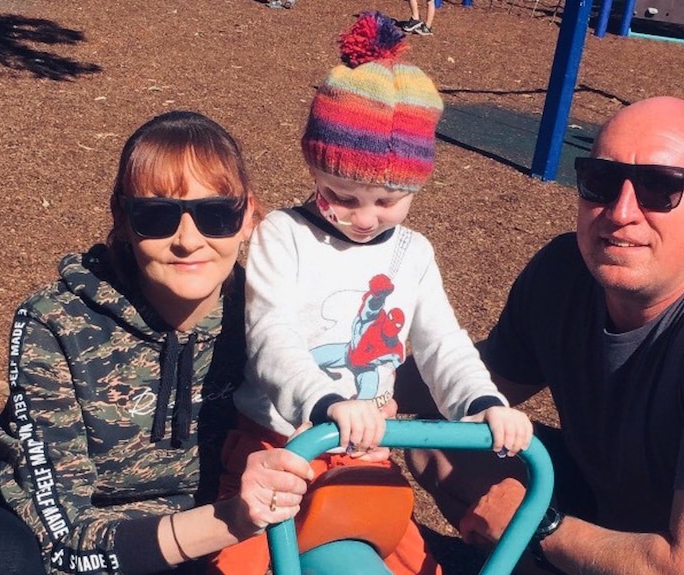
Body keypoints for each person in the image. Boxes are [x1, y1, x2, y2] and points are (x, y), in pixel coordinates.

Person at [402, 96, 684, 574]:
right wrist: (322, 386)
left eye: (660, 187)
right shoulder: (565, 273)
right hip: (620, 517)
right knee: (443, 442)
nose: (621, 211)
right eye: (601, 181)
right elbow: (463, 381)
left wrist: (535, 523)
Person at [210, 11, 533, 575]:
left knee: (413, 561)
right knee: (238, 563)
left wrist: (482, 405)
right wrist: (324, 404)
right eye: (342, 195)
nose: (364, 217)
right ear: (315, 167)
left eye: (387, 201)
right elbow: (271, 335)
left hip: (367, 454)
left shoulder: (413, 253)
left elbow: (443, 344)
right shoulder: (284, 235)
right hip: (280, 446)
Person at [0, 110, 315, 575]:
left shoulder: (273, 321)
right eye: (156, 216)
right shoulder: (55, 322)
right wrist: (234, 518)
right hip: (26, 526)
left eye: (216, 214)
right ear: (122, 218)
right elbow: (61, 538)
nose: (188, 240)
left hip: (193, 529)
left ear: (247, 217)